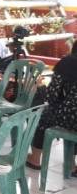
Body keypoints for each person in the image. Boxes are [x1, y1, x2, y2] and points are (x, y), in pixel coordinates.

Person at [26, 43, 77, 173]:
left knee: (42, 112)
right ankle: (71, 164)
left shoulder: (68, 62)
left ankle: (35, 158)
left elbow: (51, 96)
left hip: (70, 118)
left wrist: (40, 87)